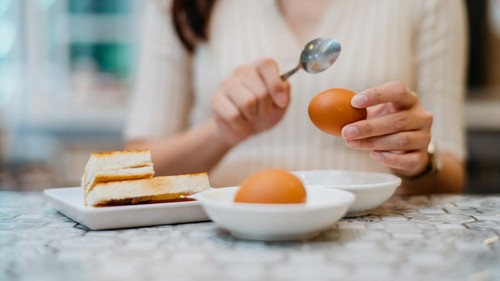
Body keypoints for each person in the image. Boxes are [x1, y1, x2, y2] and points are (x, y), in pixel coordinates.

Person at [125, 0, 467, 195]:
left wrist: (419, 157)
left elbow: (452, 176)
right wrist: (222, 133)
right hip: (228, 236)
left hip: (378, 236)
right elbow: (137, 170)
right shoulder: (182, 6)